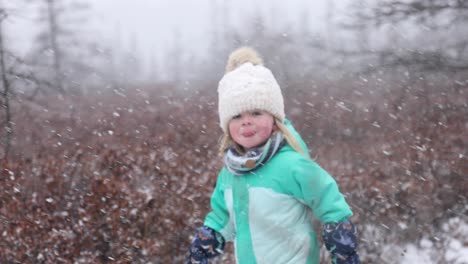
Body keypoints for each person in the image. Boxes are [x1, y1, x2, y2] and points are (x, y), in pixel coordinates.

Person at [186, 47, 360, 264]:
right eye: (237, 116)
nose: (246, 121)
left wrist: (340, 237)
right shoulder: (231, 173)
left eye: (256, 113)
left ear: (274, 119)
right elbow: (224, 216)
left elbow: (327, 197)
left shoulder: (291, 165)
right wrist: (209, 238)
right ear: (227, 125)